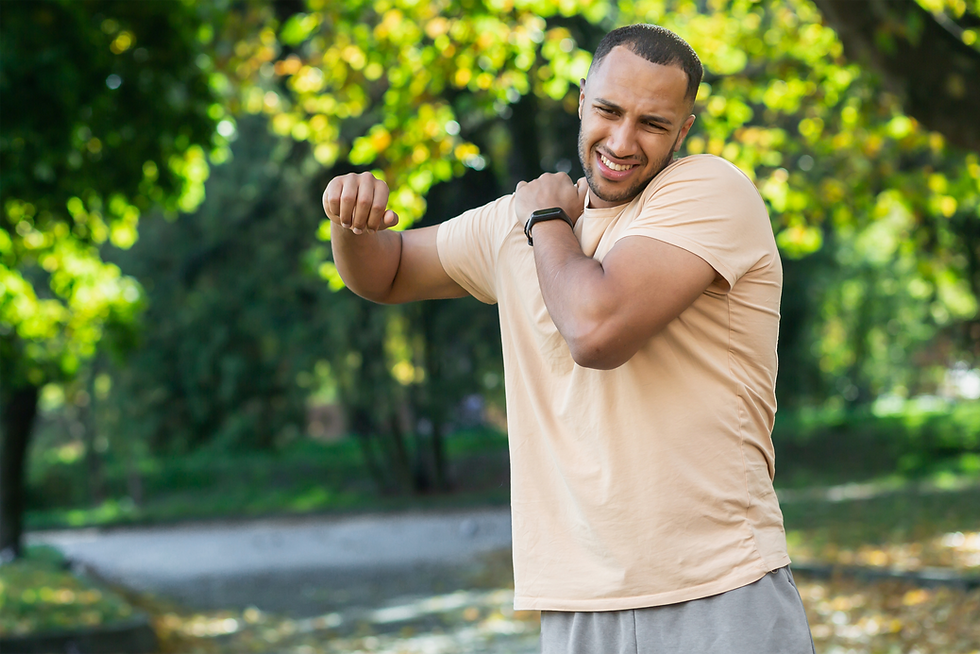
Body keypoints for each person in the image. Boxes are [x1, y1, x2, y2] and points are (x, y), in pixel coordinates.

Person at [323, 23, 815, 654]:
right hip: (577, 603)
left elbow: (595, 329)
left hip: (719, 591)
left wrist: (545, 219)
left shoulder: (709, 192)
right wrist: (351, 221)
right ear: (581, 100)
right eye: (608, 110)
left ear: (683, 131)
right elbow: (386, 273)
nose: (623, 141)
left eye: (653, 123)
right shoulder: (516, 223)